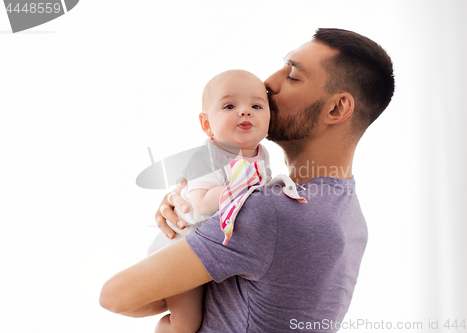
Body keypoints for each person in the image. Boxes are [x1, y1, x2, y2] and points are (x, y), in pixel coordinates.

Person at [100, 28, 395, 332]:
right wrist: (195, 207)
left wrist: (185, 232)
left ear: (336, 108)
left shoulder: (269, 212)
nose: (268, 83)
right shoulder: (347, 212)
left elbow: (115, 296)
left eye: (292, 75)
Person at [146, 69, 298, 332]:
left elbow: (259, 191)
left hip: (210, 251)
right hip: (178, 248)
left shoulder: (261, 155)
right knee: (186, 323)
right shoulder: (208, 157)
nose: (245, 111)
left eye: (256, 105)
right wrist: (243, 189)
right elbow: (202, 204)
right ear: (207, 125)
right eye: (230, 105)